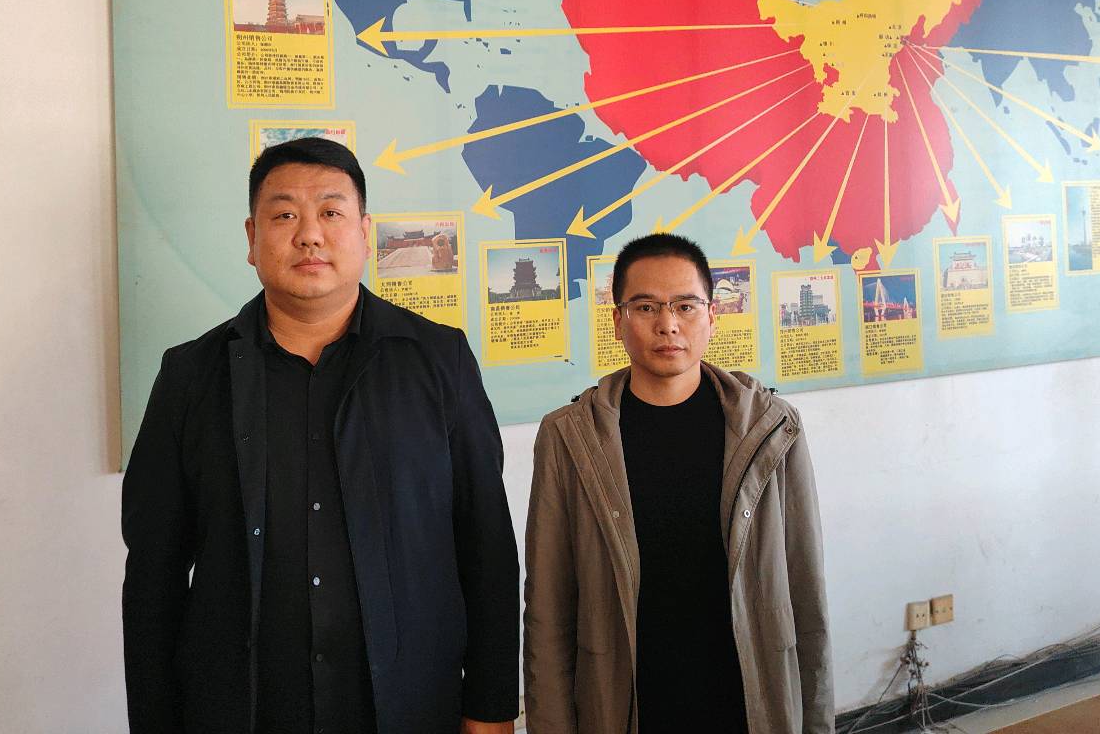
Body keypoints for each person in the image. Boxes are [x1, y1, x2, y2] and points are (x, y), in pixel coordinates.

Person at [122, 137, 519, 734]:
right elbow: (154, 573)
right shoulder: (190, 376)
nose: (309, 235)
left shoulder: (439, 361)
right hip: (244, 710)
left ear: (364, 232)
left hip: (409, 704)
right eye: (285, 216)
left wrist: (490, 708)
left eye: (331, 213)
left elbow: (485, 545)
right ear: (252, 238)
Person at [523, 233, 832, 734]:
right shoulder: (569, 437)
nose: (668, 324)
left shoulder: (772, 427)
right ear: (617, 321)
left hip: (747, 702)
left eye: (686, 306)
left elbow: (805, 589)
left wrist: (816, 722)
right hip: (623, 704)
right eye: (646, 307)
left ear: (712, 316)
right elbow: (548, 606)